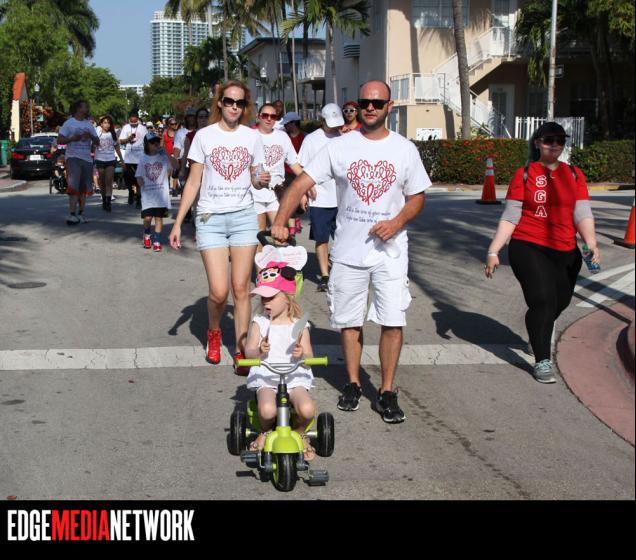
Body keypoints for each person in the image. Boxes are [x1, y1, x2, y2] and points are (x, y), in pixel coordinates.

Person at [272, 80, 431, 423]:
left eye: (378, 103)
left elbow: (417, 197)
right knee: (349, 321)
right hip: (347, 250)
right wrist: (280, 221)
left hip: (390, 252)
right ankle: (354, 383)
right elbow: (300, 184)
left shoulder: (404, 149)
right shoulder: (340, 147)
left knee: (392, 320)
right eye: (365, 102)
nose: (370, 108)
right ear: (357, 106)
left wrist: (396, 222)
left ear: (390, 107)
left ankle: (386, 391)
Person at [485, 121, 599, 384]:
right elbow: (511, 216)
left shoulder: (574, 174)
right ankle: (542, 360)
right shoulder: (525, 174)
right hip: (528, 245)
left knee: (560, 302)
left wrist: (591, 242)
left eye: (560, 140)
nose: (555, 145)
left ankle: (540, 329)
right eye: (549, 140)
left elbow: (582, 212)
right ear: (537, 142)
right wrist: (494, 250)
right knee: (543, 301)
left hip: (566, 249)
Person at [169, 80, 270, 375]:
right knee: (218, 292)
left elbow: (256, 178)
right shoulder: (204, 136)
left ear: (245, 106)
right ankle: (214, 331)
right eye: (229, 101)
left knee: (241, 288)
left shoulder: (252, 138)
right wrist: (177, 223)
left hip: (243, 218)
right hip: (210, 219)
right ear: (220, 103)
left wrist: (260, 180)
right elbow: (193, 182)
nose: (234, 107)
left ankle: (241, 349)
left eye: (240, 102)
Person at [244, 245, 316, 460]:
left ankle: (300, 433)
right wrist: (258, 352)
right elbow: (249, 351)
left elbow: (310, 358)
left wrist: (302, 354)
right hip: (267, 375)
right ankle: (266, 431)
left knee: (307, 409)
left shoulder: (299, 325)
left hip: (294, 376)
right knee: (267, 410)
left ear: (287, 297)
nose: (265, 302)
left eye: (271, 297)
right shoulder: (260, 323)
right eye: (263, 298)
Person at [297, 104, 343, 292]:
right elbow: (301, 167)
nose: (334, 127)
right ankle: (325, 275)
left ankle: (339, 273)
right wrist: (304, 192)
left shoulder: (344, 138)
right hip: (320, 199)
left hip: (342, 199)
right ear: (322, 120)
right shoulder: (311, 139)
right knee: (322, 238)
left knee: (342, 238)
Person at [253, 103, 304, 243]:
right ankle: (263, 259)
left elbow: (294, 164)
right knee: (259, 237)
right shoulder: (250, 136)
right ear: (258, 117)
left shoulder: (282, 137)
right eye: (265, 115)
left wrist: (307, 186)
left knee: (280, 236)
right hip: (254, 194)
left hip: (277, 193)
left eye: (273, 116)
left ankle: (279, 258)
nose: (269, 119)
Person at [57, 100, 100, 225]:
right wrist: (72, 138)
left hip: (86, 158)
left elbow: (97, 142)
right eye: (85, 106)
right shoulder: (69, 123)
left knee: (83, 188)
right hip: (73, 158)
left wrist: (90, 136)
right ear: (78, 109)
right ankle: (72, 214)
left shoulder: (89, 124)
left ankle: (81, 213)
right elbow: (60, 139)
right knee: (73, 186)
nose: (87, 109)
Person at [135, 132, 179, 252]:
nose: (155, 144)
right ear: (146, 144)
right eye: (152, 142)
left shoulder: (163, 157)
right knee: (148, 218)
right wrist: (139, 181)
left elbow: (175, 165)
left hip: (160, 195)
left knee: (158, 218)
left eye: (157, 142)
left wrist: (167, 153)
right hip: (148, 195)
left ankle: (157, 240)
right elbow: (138, 174)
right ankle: (147, 234)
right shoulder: (143, 158)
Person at [283, 111, 306, 235]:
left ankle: (296, 218)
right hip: (286, 172)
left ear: (293, 123)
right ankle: (292, 223)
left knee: (299, 199)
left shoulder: (305, 137)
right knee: (289, 198)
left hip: (300, 172)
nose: (285, 126)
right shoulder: (284, 137)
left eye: (287, 123)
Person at [95, 115, 124, 212]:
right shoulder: (97, 134)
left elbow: (117, 148)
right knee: (102, 182)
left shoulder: (113, 134)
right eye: (105, 123)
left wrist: (122, 160)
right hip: (100, 160)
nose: (107, 125)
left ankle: (108, 202)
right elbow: (93, 146)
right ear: (101, 124)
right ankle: (104, 200)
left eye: (108, 123)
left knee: (109, 181)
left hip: (110, 160)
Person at [119, 111, 148, 208]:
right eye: (132, 122)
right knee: (128, 179)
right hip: (128, 158)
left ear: (138, 119)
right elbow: (121, 141)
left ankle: (139, 198)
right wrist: (128, 139)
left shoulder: (143, 129)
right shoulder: (126, 127)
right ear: (129, 119)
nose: (133, 123)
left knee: (138, 179)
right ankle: (131, 192)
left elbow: (147, 142)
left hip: (140, 158)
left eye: (135, 122)